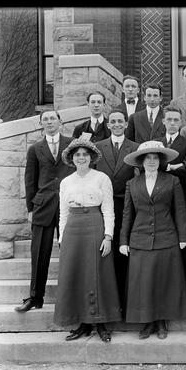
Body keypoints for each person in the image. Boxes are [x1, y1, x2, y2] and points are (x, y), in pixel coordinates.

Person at [120, 140, 186, 339]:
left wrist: (183, 236)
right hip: (140, 238)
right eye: (148, 158)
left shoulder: (171, 181)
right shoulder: (132, 184)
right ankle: (147, 323)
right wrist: (123, 240)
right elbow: (127, 214)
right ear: (141, 161)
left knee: (163, 282)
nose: (151, 161)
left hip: (166, 236)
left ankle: (161, 323)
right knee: (143, 283)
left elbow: (180, 210)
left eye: (155, 158)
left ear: (160, 161)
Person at [54, 138, 121, 342]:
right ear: (72, 159)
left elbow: (108, 210)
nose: (81, 157)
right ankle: (82, 323)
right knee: (77, 275)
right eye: (77, 154)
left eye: (85, 154)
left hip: (94, 226)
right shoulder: (66, 182)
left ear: (91, 158)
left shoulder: (101, 178)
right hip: (73, 229)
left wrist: (108, 236)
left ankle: (101, 323)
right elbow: (63, 213)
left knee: (97, 274)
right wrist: (62, 239)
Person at [15, 110, 74, 313]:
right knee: (39, 253)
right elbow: (29, 180)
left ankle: (73, 298)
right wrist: (30, 208)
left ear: (60, 121)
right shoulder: (35, 149)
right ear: (41, 123)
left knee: (71, 252)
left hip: (68, 205)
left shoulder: (72, 143)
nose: (49, 121)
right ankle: (35, 297)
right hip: (43, 206)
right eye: (45, 119)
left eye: (52, 118)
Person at [94, 110, 140, 316]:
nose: (117, 124)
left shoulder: (135, 148)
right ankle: (108, 302)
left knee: (124, 252)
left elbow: (138, 177)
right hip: (104, 208)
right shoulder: (98, 148)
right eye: (113, 121)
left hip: (127, 205)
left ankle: (126, 300)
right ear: (108, 124)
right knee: (107, 254)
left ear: (126, 124)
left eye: (120, 121)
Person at [154, 106, 186, 299]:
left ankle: (184, 294)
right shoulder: (156, 144)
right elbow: (152, 167)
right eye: (169, 119)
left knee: (182, 241)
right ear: (163, 121)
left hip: (182, 197)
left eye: (176, 120)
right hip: (160, 199)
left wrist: (168, 168)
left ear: (181, 122)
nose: (172, 123)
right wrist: (174, 166)